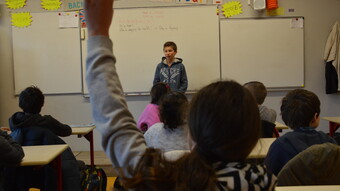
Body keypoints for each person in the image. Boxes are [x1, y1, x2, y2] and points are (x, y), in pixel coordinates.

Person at [84, 0, 276, 190]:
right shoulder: (264, 181)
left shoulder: (165, 178)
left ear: (191, 131)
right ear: (253, 135)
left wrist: (97, 33)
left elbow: (114, 122)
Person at [264, 89, 338, 176]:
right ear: (315, 117)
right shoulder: (329, 142)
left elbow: (269, 175)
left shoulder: (279, 145)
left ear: (285, 118)